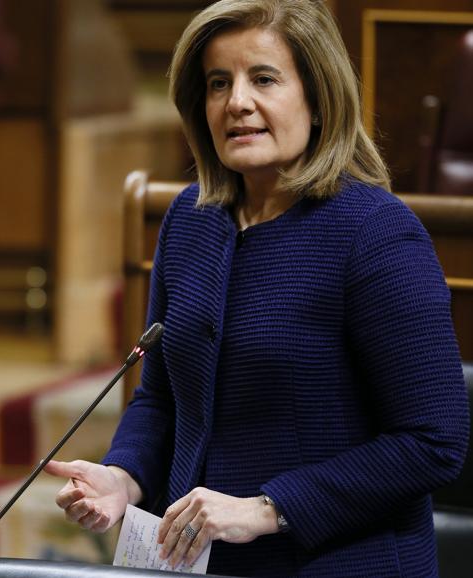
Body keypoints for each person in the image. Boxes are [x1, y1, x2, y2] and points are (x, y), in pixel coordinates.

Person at [45, 1, 469, 576]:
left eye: (264, 79)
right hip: (196, 562)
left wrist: (269, 508)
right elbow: (162, 397)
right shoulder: (189, 221)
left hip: (340, 564)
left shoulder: (376, 234)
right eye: (218, 83)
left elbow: (433, 441)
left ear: (318, 100)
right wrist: (124, 476)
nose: (236, 102)